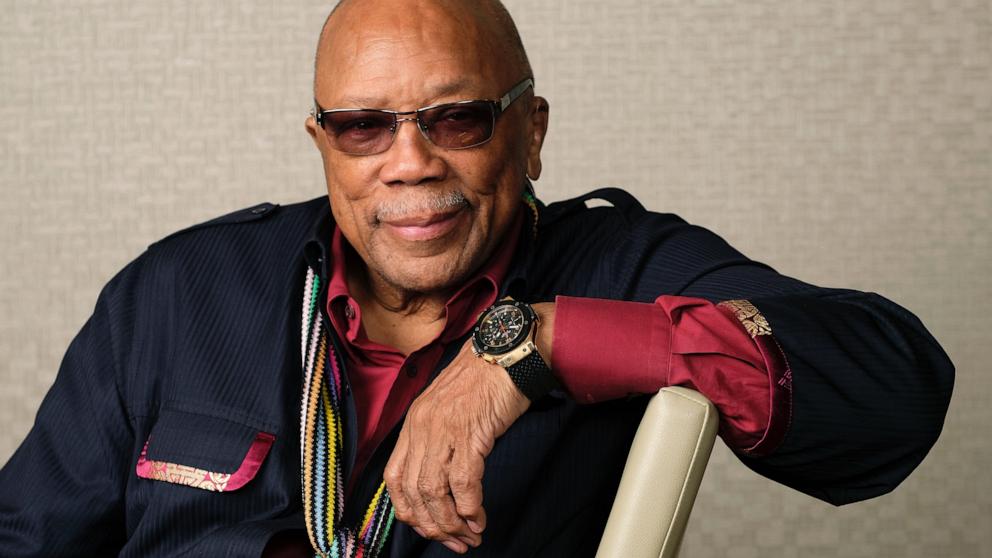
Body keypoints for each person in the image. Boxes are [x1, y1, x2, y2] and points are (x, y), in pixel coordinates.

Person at [0, 0, 954, 557]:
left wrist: (536, 343)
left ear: (531, 132)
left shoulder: (622, 266)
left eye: (456, 119)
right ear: (322, 144)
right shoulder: (176, 290)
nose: (409, 164)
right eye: (364, 127)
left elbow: (894, 386)